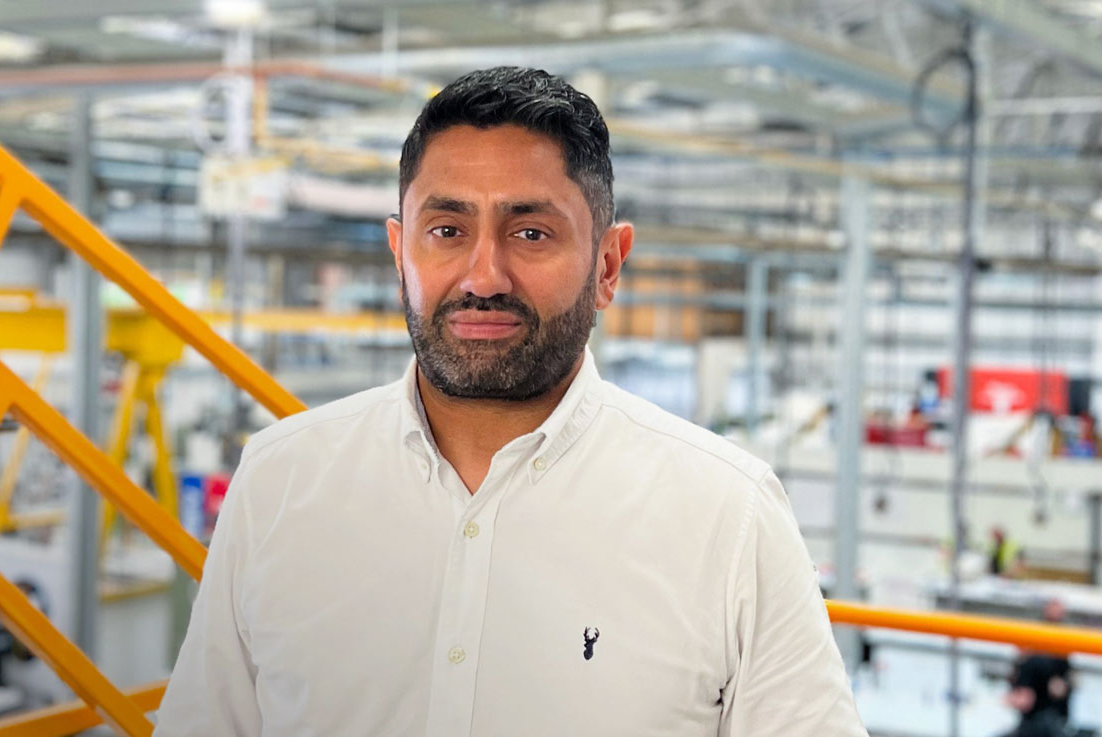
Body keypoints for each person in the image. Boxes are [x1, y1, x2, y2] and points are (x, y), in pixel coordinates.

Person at [154, 66, 867, 737]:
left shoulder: (729, 516)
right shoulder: (279, 482)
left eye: (531, 233)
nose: (484, 275)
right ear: (400, 253)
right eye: (447, 231)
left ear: (608, 265)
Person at [1002, 599, 1074, 737]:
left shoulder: (1062, 645)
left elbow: (1064, 683)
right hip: (1035, 715)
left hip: (1049, 714)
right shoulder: (1034, 648)